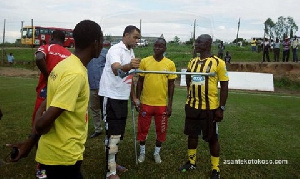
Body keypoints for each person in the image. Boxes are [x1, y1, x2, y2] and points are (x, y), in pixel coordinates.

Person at [6, 19, 104, 179]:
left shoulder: (63, 66)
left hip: (48, 158)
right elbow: (43, 123)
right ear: (95, 43)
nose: (102, 44)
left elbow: (45, 104)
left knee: (42, 175)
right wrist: (39, 124)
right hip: (62, 160)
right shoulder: (75, 74)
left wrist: (30, 143)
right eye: (101, 40)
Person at [179, 34, 229, 179]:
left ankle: (215, 169)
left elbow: (224, 86)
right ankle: (191, 162)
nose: (196, 43)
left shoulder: (218, 63)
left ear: (208, 44)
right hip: (192, 105)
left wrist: (221, 107)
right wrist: (191, 93)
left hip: (210, 108)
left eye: (199, 41)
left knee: (212, 138)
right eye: (196, 41)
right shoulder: (192, 61)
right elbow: (188, 78)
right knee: (192, 135)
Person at [99, 25, 140, 179]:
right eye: (135, 37)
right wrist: (130, 65)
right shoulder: (115, 50)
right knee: (113, 135)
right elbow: (117, 69)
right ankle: (110, 172)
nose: (137, 40)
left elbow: (128, 77)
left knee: (118, 134)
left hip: (122, 97)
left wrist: (134, 97)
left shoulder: (130, 51)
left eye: (138, 38)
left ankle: (113, 163)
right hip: (110, 97)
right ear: (126, 35)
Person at [136, 38, 177, 164]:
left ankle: (156, 153)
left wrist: (169, 104)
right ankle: (142, 152)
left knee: (161, 130)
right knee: (143, 129)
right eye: (156, 46)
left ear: (165, 48)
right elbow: (140, 82)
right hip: (146, 103)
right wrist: (137, 99)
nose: (157, 48)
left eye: (161, 46)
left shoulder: (170, 64)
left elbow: (171, 85)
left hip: (161, 105)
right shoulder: (145, 61)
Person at [32, 30, 71, 127]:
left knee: (39, 117)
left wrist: (47, 77)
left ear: (52, 37)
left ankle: (35, 138)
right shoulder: (69, 54)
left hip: (45, 88)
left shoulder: (47, 47)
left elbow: (39, 58)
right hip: (61, 90)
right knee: (55, 118)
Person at [87, 46, 109, 138]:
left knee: (106, 108)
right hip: (91, 85)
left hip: (103, 86)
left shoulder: (105, 52)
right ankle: (98, 129)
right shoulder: (87, 52)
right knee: (94, 108)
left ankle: (108, 128)